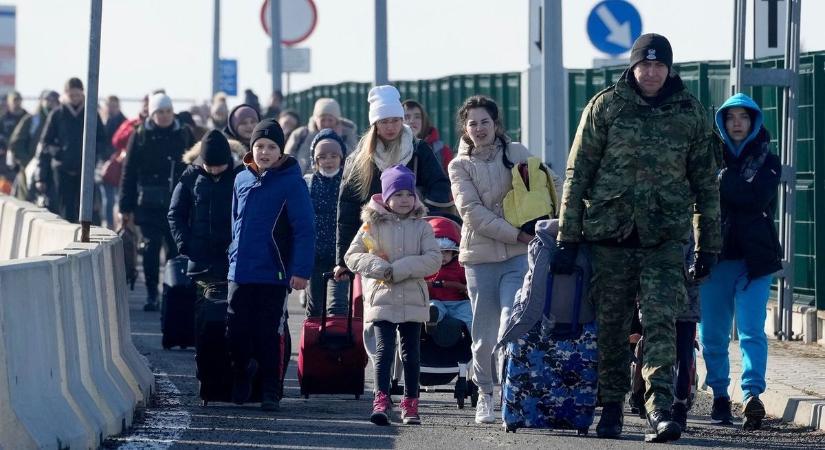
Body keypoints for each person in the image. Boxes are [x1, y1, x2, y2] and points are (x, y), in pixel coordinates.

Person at [551, 34, 721, 443]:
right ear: (632, 67)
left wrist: (708, 244)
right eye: (644, 65)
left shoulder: (690, 113)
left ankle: (660, 408)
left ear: (670, 68)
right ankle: (610, 406)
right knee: (612, 327)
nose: (651, 73)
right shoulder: (606, 106)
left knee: (662, 321)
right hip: (610, 236)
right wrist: (566, 237)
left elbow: (706, 183)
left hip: (664, 238)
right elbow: (578, 174)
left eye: (659, 66)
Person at [448, 94, 561, 425]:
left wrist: (560, 218)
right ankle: (485, 393)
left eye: (485, 122)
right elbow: (472, 213)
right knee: (483, 332)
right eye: (473, 124)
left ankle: (512, 392)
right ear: (465, 129)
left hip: (518, 256)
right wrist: (517, 234)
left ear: (496, 125)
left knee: (513, 321)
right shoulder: (459, 166)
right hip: (480, 258)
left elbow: (550, 184)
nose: (480, 129)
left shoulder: (517, 153)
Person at [698, 93, 781, 431]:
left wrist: (721, 179)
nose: (736, 123)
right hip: (714, 258)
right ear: (721, 123)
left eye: (743, 117)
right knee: (714, 334)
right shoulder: (705, 159)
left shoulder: (768, 160)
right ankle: (720, 393)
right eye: (729, 117)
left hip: (755, 261)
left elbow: (754, 198)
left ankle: (751, 395)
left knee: (750, 331)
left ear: (753, 122)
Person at [227, 118, 314, 412]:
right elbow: (235, 222)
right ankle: (241, 371)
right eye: (259, 145)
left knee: (269, 333)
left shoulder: (292, 182)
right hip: (240, 270)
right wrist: (232, 255)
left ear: (281, 151)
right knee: (235, 331)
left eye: (271, 146)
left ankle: (270, 390)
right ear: (252, 148)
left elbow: (304, 229)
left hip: (274, 273)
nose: (264, 152)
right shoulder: (241, 179)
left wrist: (301, 271)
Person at [345, 164, 441, 426]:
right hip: (382, 297)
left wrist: (399, 269)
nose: (404, 200)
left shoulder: (422, 227)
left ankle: (410, 403)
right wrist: (379, 268)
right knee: (384, 350)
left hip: (412, 296)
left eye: (409, 194)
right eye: (398, 194)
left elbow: (434, 259)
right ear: (386, 197)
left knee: (411, 352)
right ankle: (381, 399)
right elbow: (352, 256)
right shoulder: (370, 226)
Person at [334, 85, 452, 283]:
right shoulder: (360, 159)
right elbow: (347, 210)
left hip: (413, 242)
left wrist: (419, 208)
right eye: (384, 121)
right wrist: (343, 260)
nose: (390, 127)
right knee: (376, 305)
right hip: (375, 246)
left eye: (396, 120)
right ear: (375, 124)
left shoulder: (418, 150)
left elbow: (440, 186)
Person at [119, 92, 194, 311]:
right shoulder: (140, 135)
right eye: (160, 112)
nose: (164, 116)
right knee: (150, 249)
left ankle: (171, 292)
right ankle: (152, 293)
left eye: (168, 111)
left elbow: (195, 167)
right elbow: (129, 172)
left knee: (175, 250)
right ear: (152, 113)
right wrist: (126, 206)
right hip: (148, 205)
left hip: (177, 203)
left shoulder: (183, 133)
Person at [168, 129, 242, 298]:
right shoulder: (191, 176)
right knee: (199, 311)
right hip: (199, 258)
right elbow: (175, 213)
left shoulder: (240, 176)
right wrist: (185, 244)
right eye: (210, 166)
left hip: (232, 258)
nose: (214, 171)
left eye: (219, 166)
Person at [34, 77, 106, 223]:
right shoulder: (57, 114)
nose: (75, 99)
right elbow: (45, 143)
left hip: (84, 171)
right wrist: (58, 154)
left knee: (86, 210)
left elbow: (102, 140)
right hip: (62, 170)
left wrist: (92, 154)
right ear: (65, 95)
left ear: (83, 94)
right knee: (64, 209)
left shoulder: (91, 114)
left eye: (78, 95)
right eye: (71, 95)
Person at [302, 128, 349, 317]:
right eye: (323, 157)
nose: (328, 161)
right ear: (315, 160)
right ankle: (314, 343)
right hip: (315, 255)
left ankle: (339, 343)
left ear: (342, 158)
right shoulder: (308, 183)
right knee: (315, 306)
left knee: (338, 306)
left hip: (341, 255)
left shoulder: (348, 183)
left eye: (333, 156)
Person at [283, 97, 359, 174]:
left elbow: (353, 161)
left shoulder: (347, 135)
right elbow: (286, 161)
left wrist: (338, 139)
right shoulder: (301, 135)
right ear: (316, 120)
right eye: (322, 120)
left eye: (330, 120)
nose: (326, 124)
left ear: (336, 120)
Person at [8, 90, 59, 200]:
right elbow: (16, 143)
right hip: (29, 170)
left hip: (52, 171)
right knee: (28, 201)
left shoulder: (60, 121)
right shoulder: (32, 120)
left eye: (54, 100)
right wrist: (27, 162)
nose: (50, 103)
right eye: (47, 100)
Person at [424, 217, 472, 333]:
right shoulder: (426, 267)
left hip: (458, 302)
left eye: (446, 252)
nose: (443, 257)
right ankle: (431, 320)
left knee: (470, 313)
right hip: (436, 300)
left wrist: (466, 289)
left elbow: (468, 283)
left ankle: (477, 341)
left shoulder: (459, 266)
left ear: (454, 252)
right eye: (439, 253)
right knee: (433, 307)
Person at [403, 100, 453, 174]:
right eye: (407, 117)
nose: (412, 121)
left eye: (417, 117)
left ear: (424, 121)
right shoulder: (391, 148)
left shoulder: (442, 151)